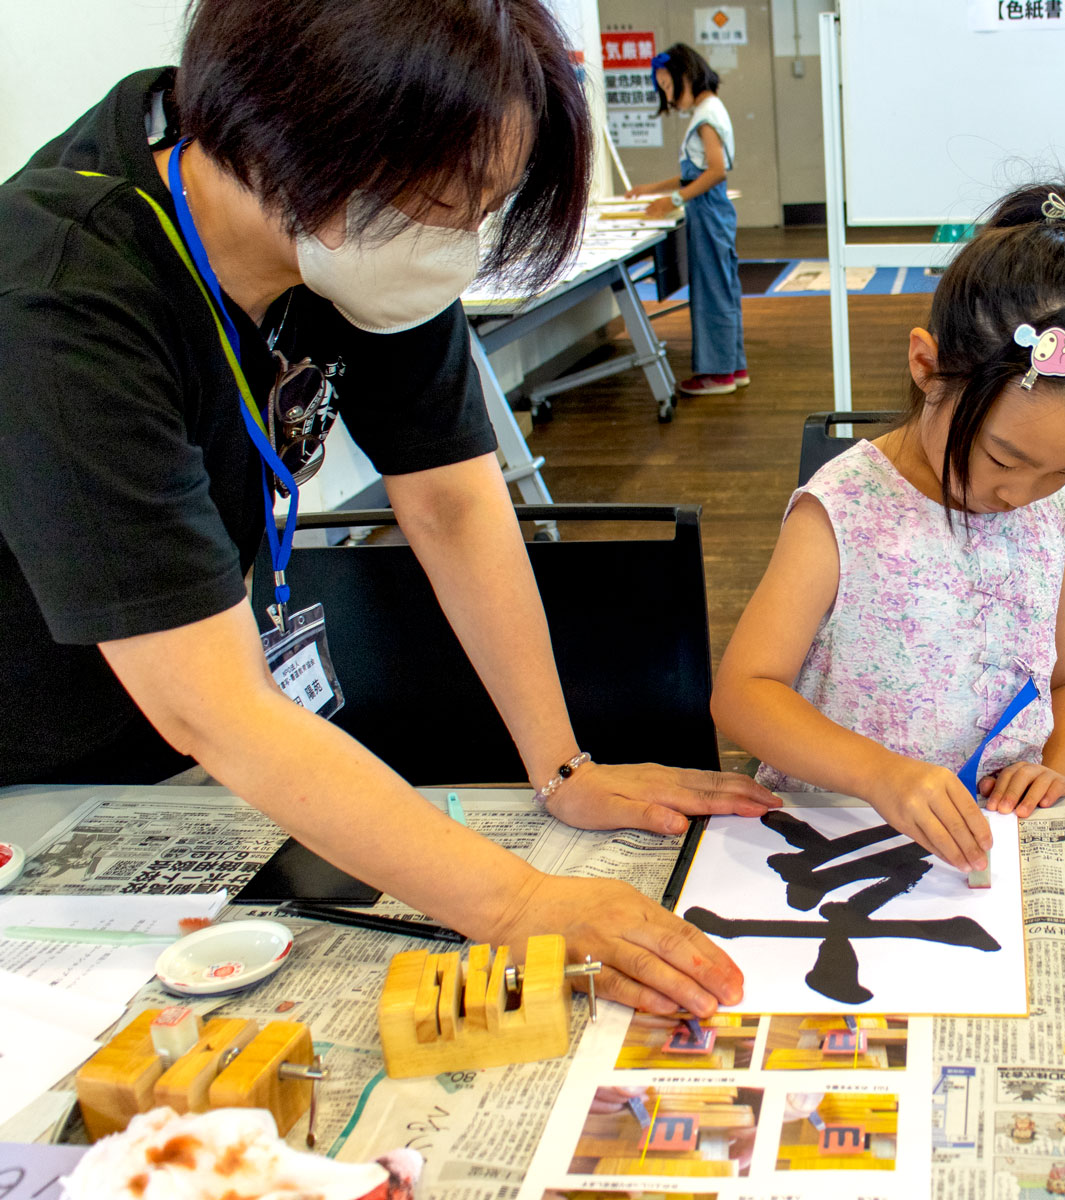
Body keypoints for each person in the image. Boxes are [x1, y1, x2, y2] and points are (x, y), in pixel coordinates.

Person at [0, 0, 779, 1015]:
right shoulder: (63, 293)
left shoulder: (350, 238)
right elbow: (210, 703)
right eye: (453, 201)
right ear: (302, 135)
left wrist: (562, 766)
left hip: (182, 761)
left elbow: (456, 501)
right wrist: (516, 903)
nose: (463, 239)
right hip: (32, 766)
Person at [712, 183, 1065, 871]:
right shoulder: (843, 511)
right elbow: (744, 695)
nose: (1023, 495)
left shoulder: (1047, 512)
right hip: (840, 840)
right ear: (927, 367)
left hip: (989, 852)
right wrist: (882, 775)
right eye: (1005, 458)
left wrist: (1059, 771)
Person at [624, 43, 746, 397]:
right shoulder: (711, 109)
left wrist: (672, 200)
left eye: (666, 85)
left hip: (707, 214)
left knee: (711, 292)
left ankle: (718, 374)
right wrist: (652, 190)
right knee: (722, 289)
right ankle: (732, 367)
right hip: (711, 213)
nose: (667, 95)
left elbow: (716, 172)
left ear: (685, 76)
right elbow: (693, 175)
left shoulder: (706, 116)